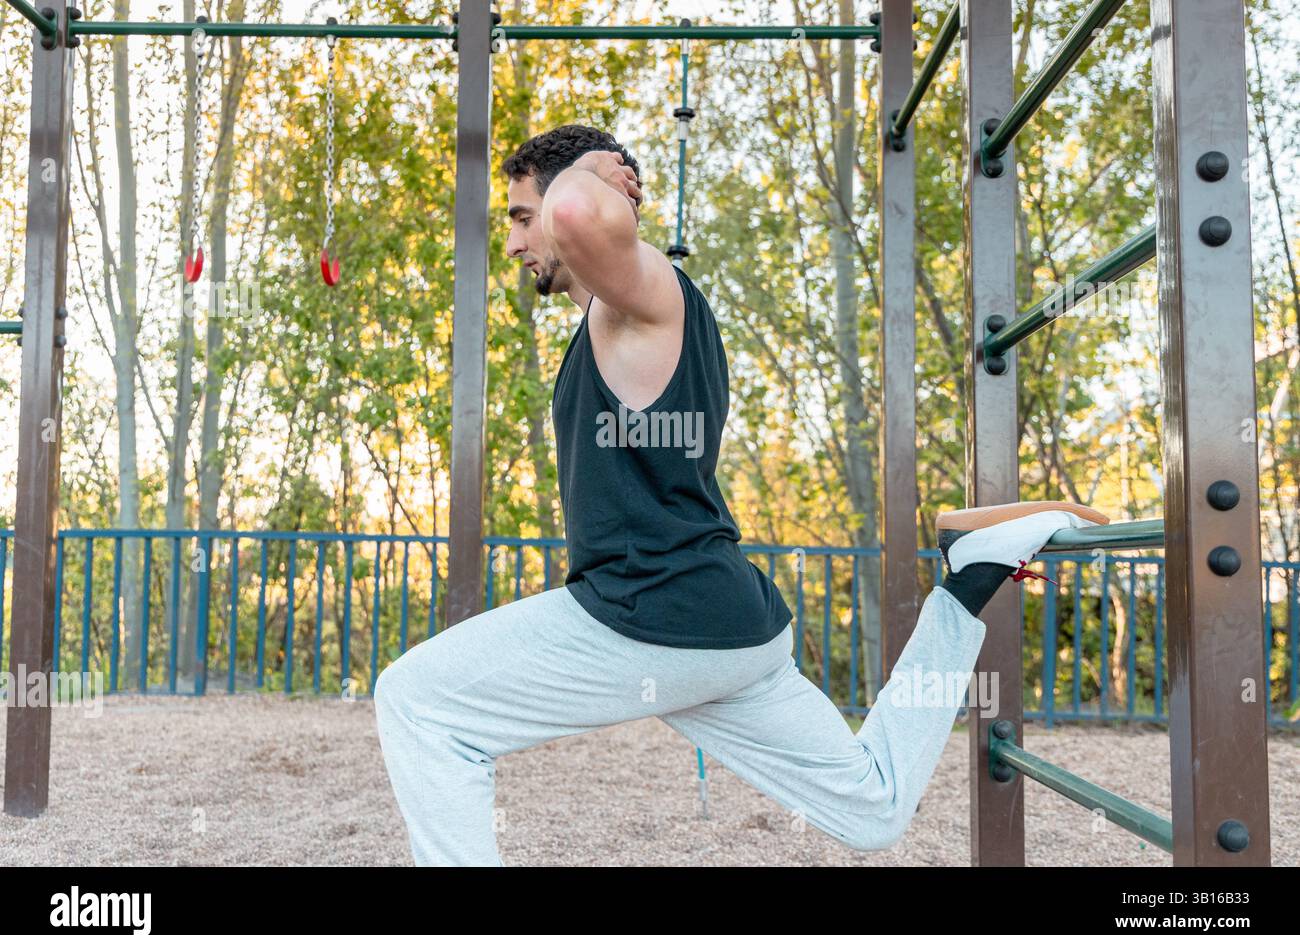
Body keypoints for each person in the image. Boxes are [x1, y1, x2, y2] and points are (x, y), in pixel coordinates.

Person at [373, 124, 1108, 866]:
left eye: (520, 216)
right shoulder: (612, 317)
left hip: (647, 611)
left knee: (419, 703)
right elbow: (574, 218)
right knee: (875, 807)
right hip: (723, 630)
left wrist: (591, 169)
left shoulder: (641, 297)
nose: (515, 240)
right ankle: (968, 578)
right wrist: (582, 182)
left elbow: (573, 214)